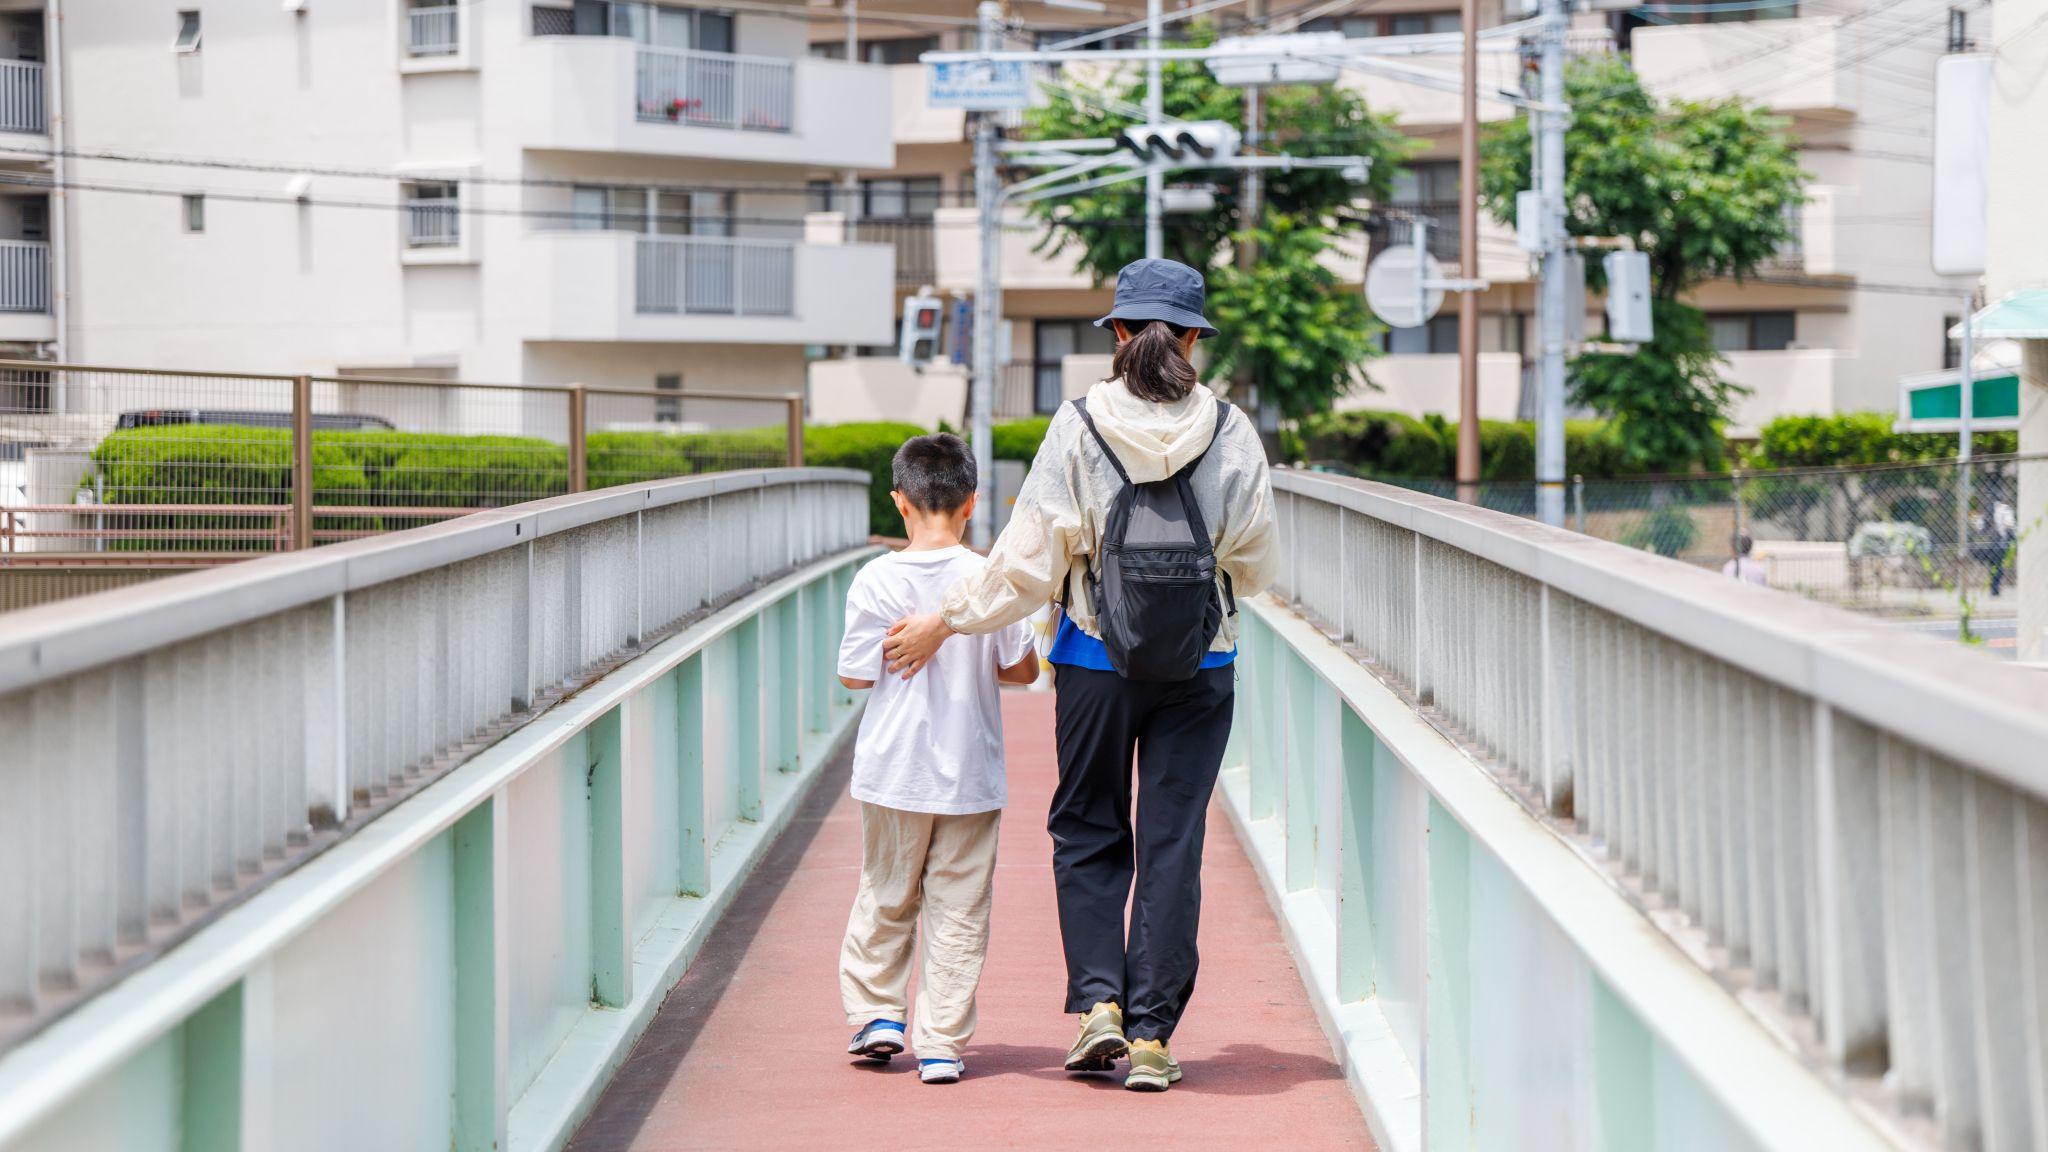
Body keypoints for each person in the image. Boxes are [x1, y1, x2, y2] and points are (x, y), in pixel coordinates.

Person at [882, 258, 1277, 1092]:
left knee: (1090, 826)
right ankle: (1156, 1037)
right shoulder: (1232, 429)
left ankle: (1099, 1004)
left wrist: (945, 618)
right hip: (1203, 663)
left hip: (1095, 658)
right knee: (1174, 841)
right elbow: (1256, 560)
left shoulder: (1079, 426)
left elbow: (1028, 563)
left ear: (1121, 334)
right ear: (1196, 339)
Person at [835, 433, 1039, 1085]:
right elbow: (1022, 669)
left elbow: (857, 678)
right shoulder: (988, 577)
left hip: (892, 768)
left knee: (886, 893)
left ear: (899, 502)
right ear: (972, 503)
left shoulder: (875, 579)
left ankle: (878, 1017)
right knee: (959, 907)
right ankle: (943, 1043)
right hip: (969, 772)